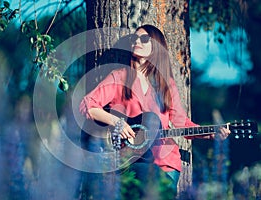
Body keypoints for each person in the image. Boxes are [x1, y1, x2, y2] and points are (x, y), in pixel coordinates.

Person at [79, 24, 230, 199]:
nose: (137, 41)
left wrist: (211, 133)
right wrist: (116, 122)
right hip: (130, 161)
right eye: (134, 38)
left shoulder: (166, 85)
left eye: (144, 39)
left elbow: (182, 124)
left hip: (165, 165)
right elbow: (87, 105)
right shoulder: (119, 77)